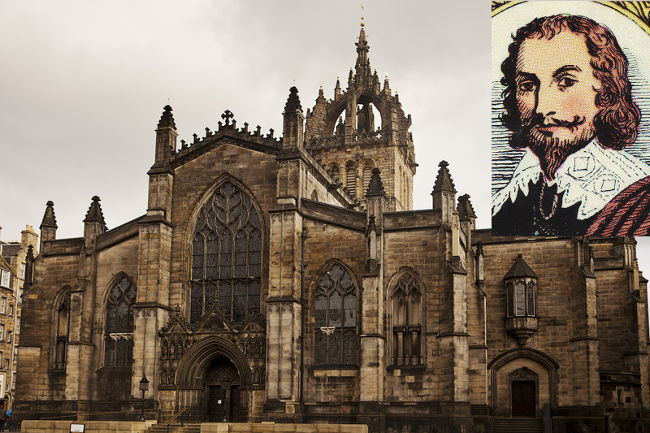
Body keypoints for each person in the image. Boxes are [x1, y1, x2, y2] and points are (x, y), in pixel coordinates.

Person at [492, 14, 650, 236]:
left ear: (606, 89)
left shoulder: (639, 200)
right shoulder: (508, 199)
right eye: (528, 85)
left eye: (566, 82)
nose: (541, 108)